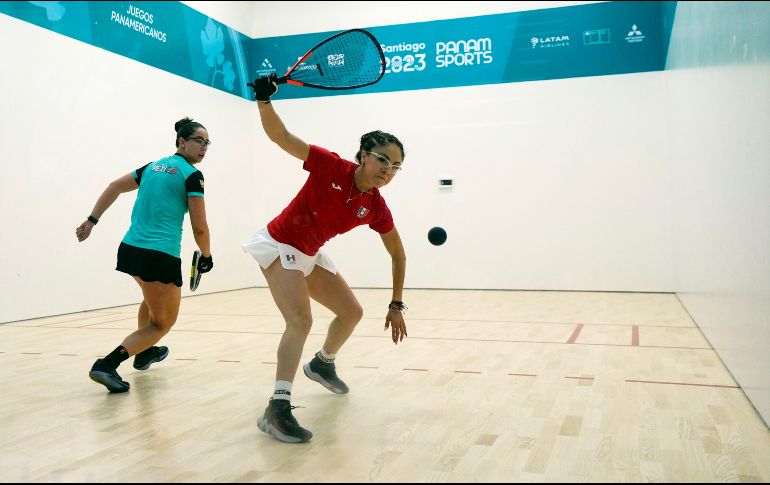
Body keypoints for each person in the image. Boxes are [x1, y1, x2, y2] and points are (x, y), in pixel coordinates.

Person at [243, 75, 408, 443]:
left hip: (309, 252)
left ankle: (322, 362)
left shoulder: (375, 206)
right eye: (383, 160)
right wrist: (264, 101)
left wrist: (396, 303)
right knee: (300, 319)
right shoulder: (330, 166)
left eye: (396, 167)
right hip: (279, 243)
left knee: (352, 312)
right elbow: (282, 138)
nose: (387, 170)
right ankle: (277, 408)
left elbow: (397, 252)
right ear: (363, 155)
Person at [75, 117, 214, 393]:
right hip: (159, 256)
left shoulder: (152, 167)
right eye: (199, 141)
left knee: (150, 301)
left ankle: (144, 353)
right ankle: (107, 364)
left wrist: (92, 220)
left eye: (207, 143)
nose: (204, 147)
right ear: (182, 142)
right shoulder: (191, 174)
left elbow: (115, 186)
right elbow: (199, 226)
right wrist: (207, 255)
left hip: (130, 251)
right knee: (163, 322)